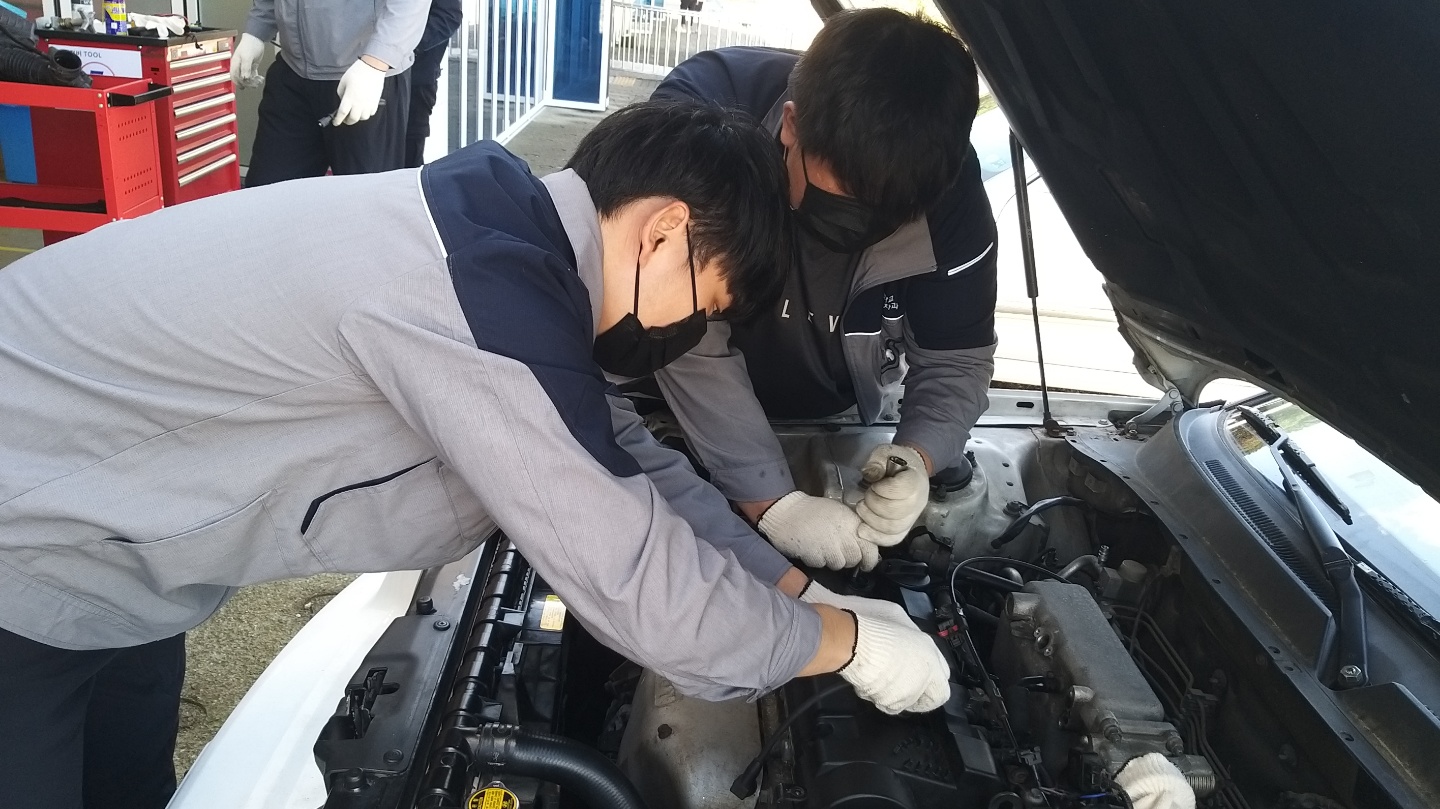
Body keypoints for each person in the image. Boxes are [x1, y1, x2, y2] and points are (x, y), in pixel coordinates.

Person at [0, 101, 951, 809]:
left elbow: (634, 467)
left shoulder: (507, 243)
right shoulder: (484, 304)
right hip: (26, 543)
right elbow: (646, 593)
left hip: (121, 564)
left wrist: (797, 590)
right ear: (664, 230)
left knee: (126, 785)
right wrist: (846, 645)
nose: (686, 334)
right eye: (703, 302)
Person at [648, 9, 999, 571]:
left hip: (835, 413)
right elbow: (674, 322)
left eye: (886, 214)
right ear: (791, 126)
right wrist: (770, 501)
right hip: (668, 401)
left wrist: (918, 456)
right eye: (841, 201)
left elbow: (955, 361)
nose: (856, 230)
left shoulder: (948, 192)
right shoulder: (701, 118)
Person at [231, 0, 427, 185]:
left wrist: (376, 62)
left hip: (361, 77)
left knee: (364, 199)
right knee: (269, 193)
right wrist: (257, 30)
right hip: (293, 71)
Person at [404, 0, 463, 168]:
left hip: (416, 79)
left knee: (409, 154)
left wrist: (401, 47)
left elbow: (449, 16)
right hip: (362, 73)